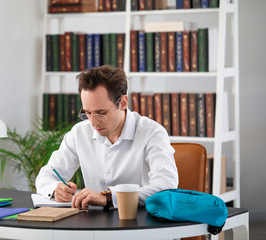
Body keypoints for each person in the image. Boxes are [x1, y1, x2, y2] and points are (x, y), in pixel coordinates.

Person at [35, 65, 178, 210]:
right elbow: (46, 175)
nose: (92, 122)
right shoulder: (79, 133)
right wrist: (55, 188)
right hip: (94, 225)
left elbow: (166, 186)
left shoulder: (152, 133)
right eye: (87, 113)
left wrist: (109, 197)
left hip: (142, 223)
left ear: (122, 103)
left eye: (100, 113)